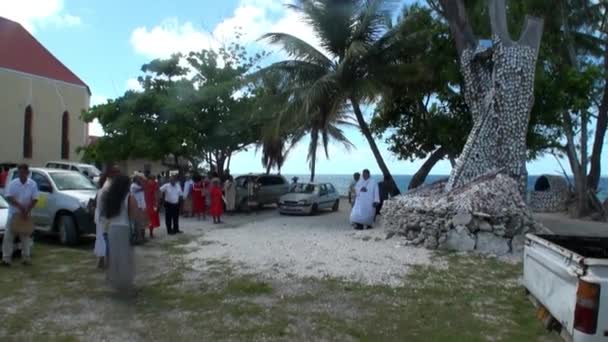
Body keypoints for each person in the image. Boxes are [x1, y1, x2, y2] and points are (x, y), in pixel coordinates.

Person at [100, 174, 140, 294]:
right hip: (125, 228)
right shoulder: (130, 197)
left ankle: (115, 282)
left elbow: (106, 215)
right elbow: (134, 215)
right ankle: (125, 284)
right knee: (125, 257)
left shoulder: (111, 197)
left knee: (114, 257)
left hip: (112, 228)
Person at [2, 164, 38, 266]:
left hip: (26, 215)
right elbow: (9, 197)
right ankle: (6, 259)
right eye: (19, 172)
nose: (21, 174)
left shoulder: (32, 184)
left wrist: (27, 210)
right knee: (8, 236)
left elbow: (35, 199)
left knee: (25, 236)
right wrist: (20, 207)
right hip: (14, 214)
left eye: (23, 172)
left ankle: (26, 258)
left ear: (27, 173)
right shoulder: (13, 183)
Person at [130, 172, 147, 244]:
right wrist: (143, 179)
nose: (140, 180)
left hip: (142, 206)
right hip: (137, 207)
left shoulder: (138, 185)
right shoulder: (133, 186)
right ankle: (138, 238)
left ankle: (142, 237)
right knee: (138, 223)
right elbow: (143, 187)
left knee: (142, 223)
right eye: (138, 179)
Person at [144, 174, 161, 238]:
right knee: (152, 219)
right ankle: (151, 233)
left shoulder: (145, 184)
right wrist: (157, 203)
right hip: (153, 204)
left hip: (146, 203)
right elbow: (156, 194)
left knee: (146, 218)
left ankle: (143, 233)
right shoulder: (155, 184)